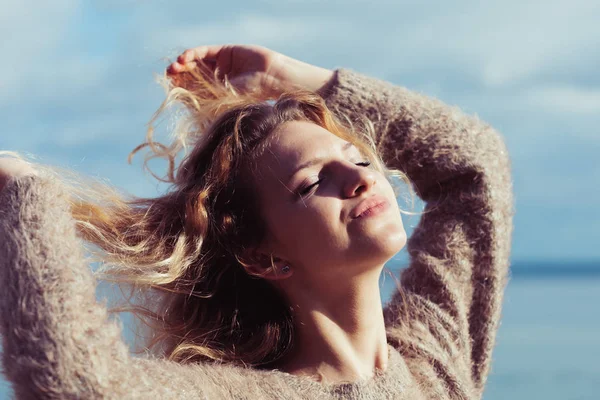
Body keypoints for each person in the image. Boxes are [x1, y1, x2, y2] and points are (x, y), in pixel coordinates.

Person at [0, 44, 514, 399]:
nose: (359, 178)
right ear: (262, 255)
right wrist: (24, 193)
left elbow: (474, 165)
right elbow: (73, 383)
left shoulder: (434, 366)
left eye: (357, 157)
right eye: (313, 182)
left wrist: (292, 80)